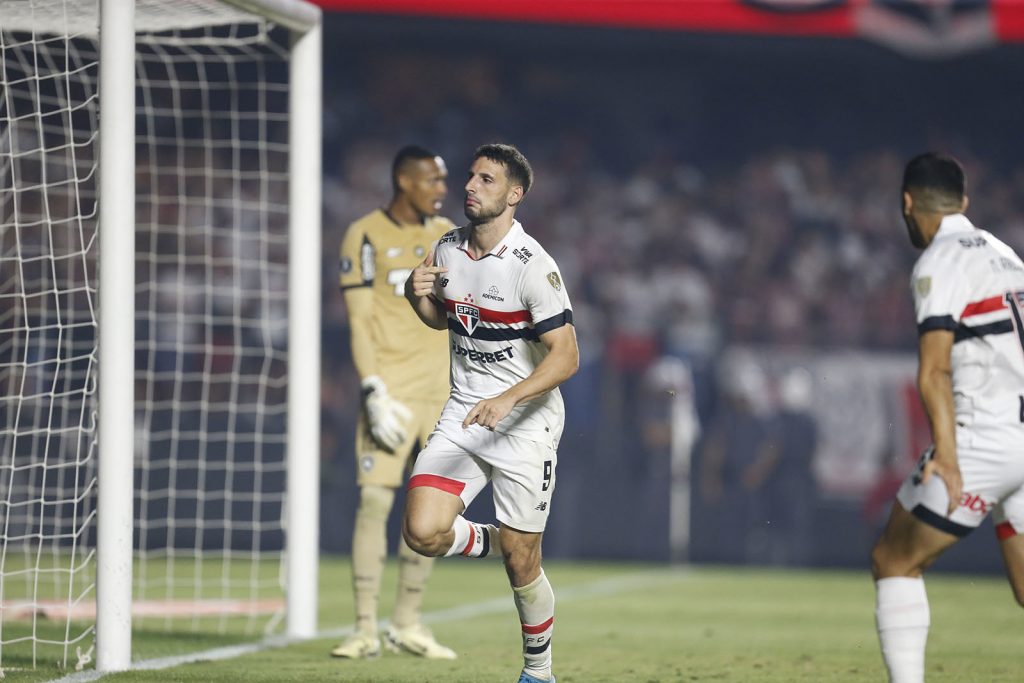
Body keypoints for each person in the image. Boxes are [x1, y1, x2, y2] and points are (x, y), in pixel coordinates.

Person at [403, 143, 578, 683]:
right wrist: (418, 298)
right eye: (471, 177)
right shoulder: (448, 247)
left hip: (526, 421)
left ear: (515, 195)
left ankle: (538, 672)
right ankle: (495, 537)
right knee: (422, 530)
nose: (471, 187)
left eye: (487, 180)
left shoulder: (532, 265)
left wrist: (509, 398)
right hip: (464, 413)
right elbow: (447, 322)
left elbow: (567, 356)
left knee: (523, 565)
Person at [870, 152, 1024, 683]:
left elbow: (933, 372)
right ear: (965, 201)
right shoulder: (1007, 255)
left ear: (908, 203)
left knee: (894, 560)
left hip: (987, 435)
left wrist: (949, 458)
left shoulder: (940, 260)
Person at [332, 145, 457, 660]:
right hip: (392, 394)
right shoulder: (364, 234)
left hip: (444, 396)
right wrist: (371, 388)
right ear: (405, 182)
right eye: (432, 180)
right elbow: (360, 321)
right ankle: (364, 627)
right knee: (376, 502)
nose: (442, 189)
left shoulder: (447, 235)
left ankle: (406, 622)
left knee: (432, 512)